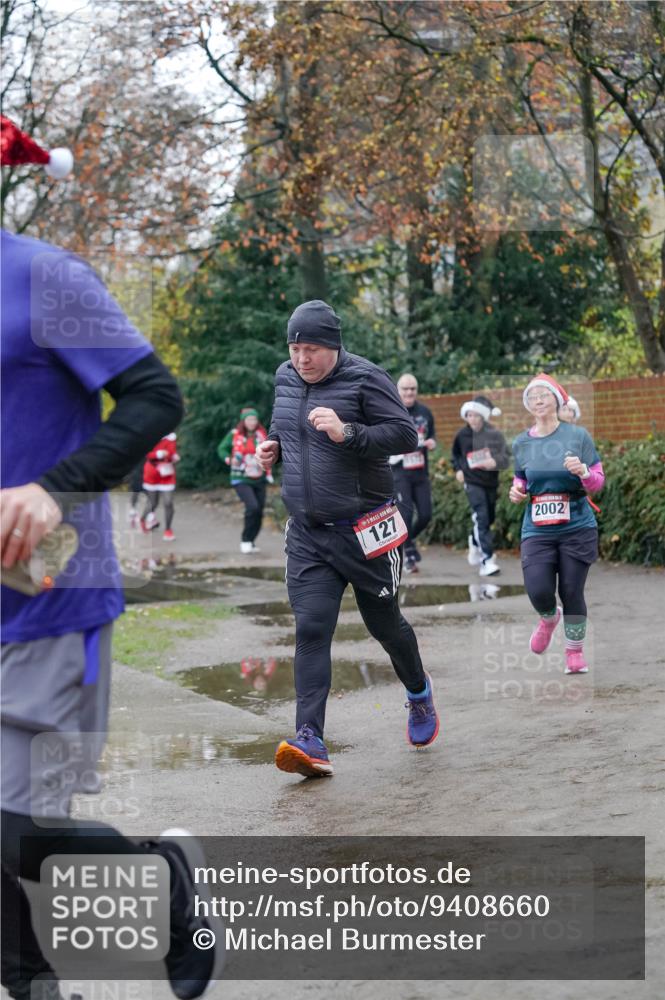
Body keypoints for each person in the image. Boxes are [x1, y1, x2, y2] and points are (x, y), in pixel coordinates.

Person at [0, 116, 224, 1000]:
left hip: (43, 587)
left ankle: (165, 879)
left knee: (15, 830)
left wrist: (54, 487)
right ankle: (31, 986)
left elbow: (153, 395)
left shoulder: (45, 278)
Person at [255, 300, 440, 779]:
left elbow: (405, 435)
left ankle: (419, 694)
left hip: (366, 530)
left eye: (312, 348)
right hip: (309, 534)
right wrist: (272, 449)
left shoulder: (366, 378)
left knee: (385, 626)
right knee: (312, 629)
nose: (302, 358)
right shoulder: (284, 377)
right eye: (295, 348)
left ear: (333, 346)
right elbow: (284, 425)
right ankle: (310, 738)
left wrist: (349, 432)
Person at [509, 373, 605, 675]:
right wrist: (516, 491)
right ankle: (549, 618)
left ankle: (574, 652)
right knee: (538, 590)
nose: (538, 400)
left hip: (577, 526)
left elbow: (598, 483)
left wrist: (584, 472)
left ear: (558, 400)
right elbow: (521, 480)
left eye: (544, 395)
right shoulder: (521, 443)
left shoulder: (577, 437)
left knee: (572, 590)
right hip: (537, 529)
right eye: (532, 396)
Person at [451, 395, 510, 577]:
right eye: (469, 415)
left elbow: (506, 458)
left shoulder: (494, 434)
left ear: (483, 417)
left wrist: (495, 462)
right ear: (466, 417)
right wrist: (458, 470)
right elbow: (456, 456)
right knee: (482, 516)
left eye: (476, 416)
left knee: (488, 517)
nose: (473, 419)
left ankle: (474, 541)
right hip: (472, 481)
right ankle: (487, 561)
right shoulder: (461, 435)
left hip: (490, 482)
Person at [389, 374, 437, 573]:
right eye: (405, 389)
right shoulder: (392, 411)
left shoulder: (425, 412)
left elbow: (431, 435)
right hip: (400, 471)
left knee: (425, 515)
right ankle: (408, 554)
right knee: (406, 514)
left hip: (420, 471)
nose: (409, 392)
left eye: (413, 389)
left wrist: (432, 442)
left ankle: (408, 541)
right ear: (398, 390)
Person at [217, 406, 271, 553]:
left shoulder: (261, 434)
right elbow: (221, 448)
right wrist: (229, 459)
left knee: (259, 511)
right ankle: (245, 540)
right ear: (243, 421)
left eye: (254, 419)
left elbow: (269, 450)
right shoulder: (235, 434)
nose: (252, 422)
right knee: (252, 507)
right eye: (249, 419)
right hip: (240, 477)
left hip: (259, 476)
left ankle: (251, 541)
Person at [141, 432, 180, 541]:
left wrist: (174, 457)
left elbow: (172, 452)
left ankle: (168, 530)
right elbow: (146, 453)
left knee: (168, 502)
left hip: (167, 473)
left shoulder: (172, 437)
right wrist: (158, 454)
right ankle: (143, 519)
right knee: (153, 502)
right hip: (152, 473)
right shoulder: (150, 433)